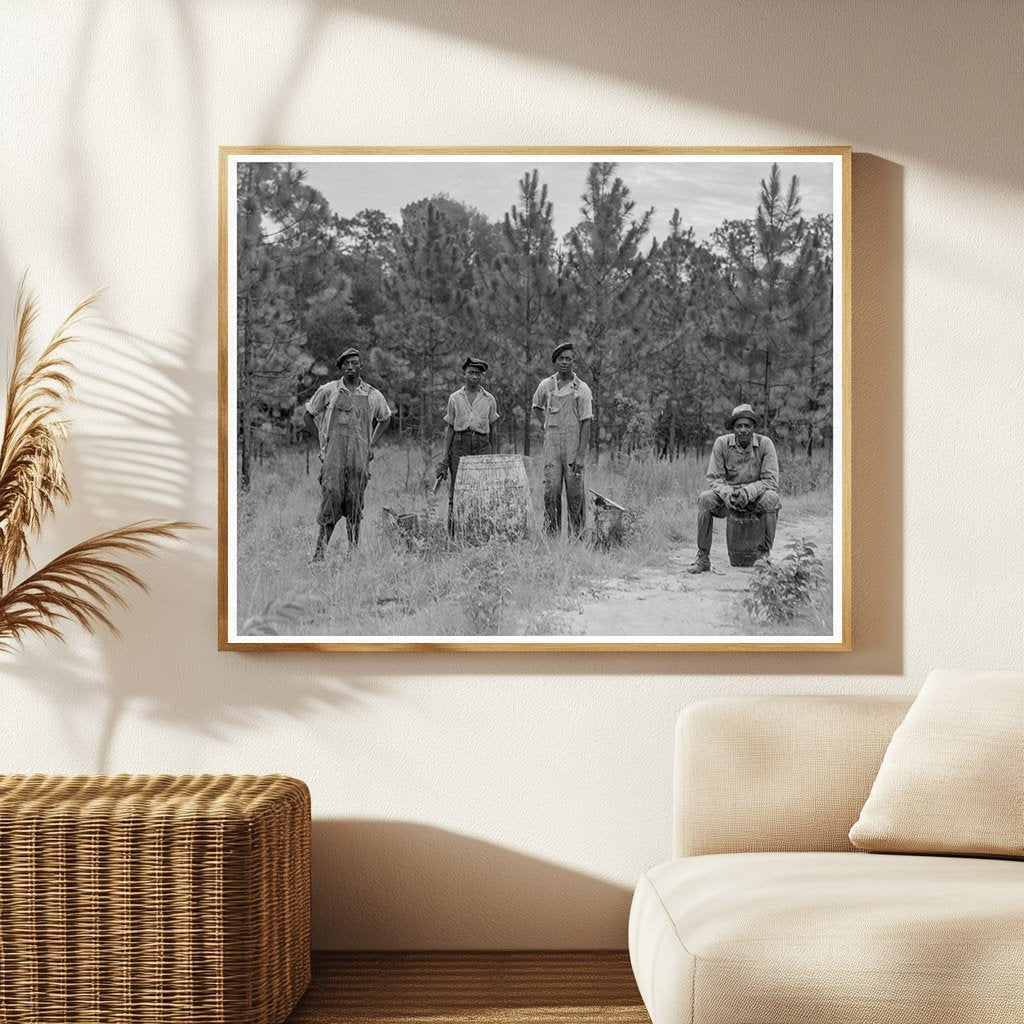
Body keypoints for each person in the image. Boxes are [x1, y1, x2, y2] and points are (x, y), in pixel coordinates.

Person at [303, 347, 391, 560]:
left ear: (361, 366)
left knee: (354, 500)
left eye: (355, 363)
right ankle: (319, 555)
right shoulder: (329, 390)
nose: (350, 367)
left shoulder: (372, 394)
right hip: (334, 456)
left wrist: (371, 445)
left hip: (359, 457)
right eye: (346, 364)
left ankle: (353, 553)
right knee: (331, 496)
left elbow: (386, 418)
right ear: (341, 367)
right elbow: (308, 416)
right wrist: (323, 442)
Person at [687, 403, 781, 573]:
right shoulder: (721, 444)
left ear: (753, 427)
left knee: (771, 499)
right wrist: (728, 494)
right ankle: (703, 557)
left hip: (755, 497)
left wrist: (748, 492)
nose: (743, 430)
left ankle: (764, 558)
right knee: (705, 499)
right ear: (733, 428)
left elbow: (770, 480)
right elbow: (714, 478)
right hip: (728, 498)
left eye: (747, 426)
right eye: (739, 426)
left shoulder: (765, 444)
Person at [532, 342, 593, 537]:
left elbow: (586, 422)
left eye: (568, 359)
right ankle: (552, 535)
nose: (565, 362)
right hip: (552, 446)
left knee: (575, 493)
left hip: (573, 446)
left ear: (574, 362)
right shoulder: (546, 385)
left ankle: (576, 537)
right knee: (551, 490)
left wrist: (581, 456)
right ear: (555, 362)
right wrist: (546, 424)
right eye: (561, 359)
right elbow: (536, 406)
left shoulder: (581, 389)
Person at [436, 356, 499, 530]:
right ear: (464, 374)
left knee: (483, 490)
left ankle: (481, 531)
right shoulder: (455, 398)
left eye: (478, 374)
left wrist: (494, 456)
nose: (474, 377)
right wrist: (444, 458)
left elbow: (493, 429)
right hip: (460, 444)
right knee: (457, 489)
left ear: (482, 376)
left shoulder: (489, 399)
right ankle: (455, 533)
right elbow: (449, 429)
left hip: (482, 445)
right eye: (471, 373)